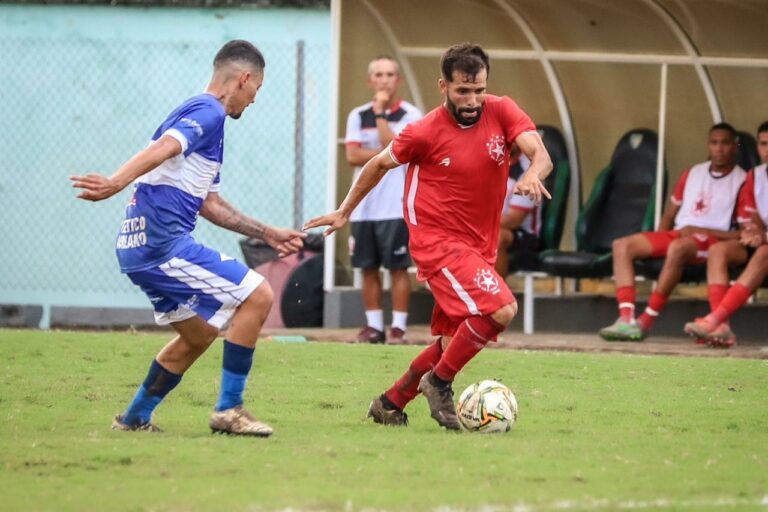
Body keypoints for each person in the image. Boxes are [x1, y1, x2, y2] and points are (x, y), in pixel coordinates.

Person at [305, 43, 552, 430]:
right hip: (437, 244)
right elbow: (377, 163)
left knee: (452, 342)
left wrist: (533, 172)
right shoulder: (424, 131)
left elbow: (540, 154)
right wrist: (344, 210)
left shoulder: (502, 110)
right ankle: (438, 383)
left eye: (479, 90)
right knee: (502, 309)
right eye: (462, 91)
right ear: (443, 86)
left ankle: (390, 402)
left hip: (479, 247)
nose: (472, 100)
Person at [70, 40, 306, 436]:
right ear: (244, 79)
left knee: (199, 335)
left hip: (138, 248)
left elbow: (209, 204)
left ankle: (134, 418)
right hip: (162, 245)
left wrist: (267, 233)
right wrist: (115, 181)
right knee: (258, 295)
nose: (254, 99)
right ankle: (230, 409)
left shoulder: (203, 120)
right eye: (257, 89)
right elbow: (165, 148)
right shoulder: (208, 111)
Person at [598, 123, 747, 342]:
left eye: (725, 143)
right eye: (714, 143)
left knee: (678, 248)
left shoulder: (743, 180)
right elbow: (670, 214)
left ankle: (646, 320)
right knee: (622, 245)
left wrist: (699, 230)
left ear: (735, 146)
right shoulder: (692, 173)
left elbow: (742, 233)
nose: (719, 148)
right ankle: (626, 318)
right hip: (680, 233)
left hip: (711, 239)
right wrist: (659, 244)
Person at [345, 56, 423, 344]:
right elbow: (352, 155)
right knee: (367, 267)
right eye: (378, 74)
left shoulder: (411, 114)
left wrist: (380, 115)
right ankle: (374, 326)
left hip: (395, 206)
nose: (384, 80)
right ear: (370, 81)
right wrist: (386, 152)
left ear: (398, 80)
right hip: (364, 208)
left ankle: (398, 327)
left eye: (390, 74)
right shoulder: (357, 115)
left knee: (398, 268)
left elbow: (399, 150)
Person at [683, 121, 768, 347]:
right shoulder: (755, 175)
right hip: (761, 241)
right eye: (763, 144)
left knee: (763, 253)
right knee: (718, 250)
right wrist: (753, 231)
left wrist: (763, 236)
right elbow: (750, 216)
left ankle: (714, 319)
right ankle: (722, 329)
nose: (767, 150)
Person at [495, 151, 540, 276]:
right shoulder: (488, 164)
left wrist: (476, 222)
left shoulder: (528, 171)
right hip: (489, 227)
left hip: (523, 234)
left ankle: (494, 288)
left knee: (498, 237)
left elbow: (514, 220)